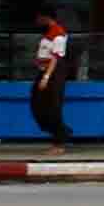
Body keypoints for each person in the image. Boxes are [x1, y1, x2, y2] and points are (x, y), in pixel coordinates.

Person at [29, 13, 72, 146]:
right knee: (36, 104)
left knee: (53, 107)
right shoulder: (47, 33)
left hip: (54, 74)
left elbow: (55, 58)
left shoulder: (59, 34)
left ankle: (59, 141)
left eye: (39, 19)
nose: (37, 22)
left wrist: (46, 77)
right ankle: (63, 131)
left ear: (46, 18)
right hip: (42, 71)